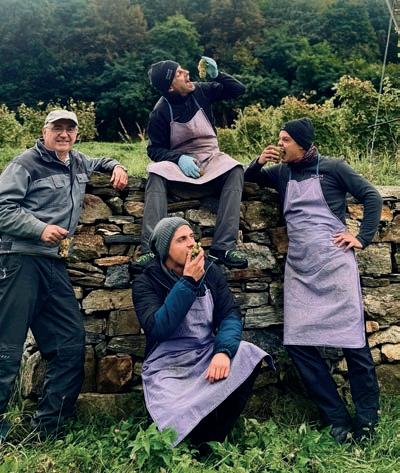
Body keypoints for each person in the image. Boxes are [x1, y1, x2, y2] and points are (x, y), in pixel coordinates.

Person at [244, 118, 382, 443]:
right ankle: (336, 418)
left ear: (302, 143)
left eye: (286, 140)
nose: (280, 144)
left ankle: (367, 422)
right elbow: (249, 178)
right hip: (300, 270)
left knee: (354, 344)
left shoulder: (333, 168)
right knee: (297, 343)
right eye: (279, 139)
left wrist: (362, 237)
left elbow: (372, 196)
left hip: (335, 267)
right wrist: (258, 162)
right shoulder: (282, 173)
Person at [0, 110, 128, 442]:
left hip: (53, 264)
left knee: (70, 345)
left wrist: (117, 165)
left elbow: (101, 160)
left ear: (76, 134)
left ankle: (47, 431)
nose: (64, 134)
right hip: (19, 261)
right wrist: (39, 229)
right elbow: (2, 209)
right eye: (57, 128)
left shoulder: (78, 161)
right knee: (5, 350)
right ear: (44, 131)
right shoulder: (25, 164)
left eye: (70, 129)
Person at [132, 217, 269, 446]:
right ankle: (190, 439)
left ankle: (212, 438)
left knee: (247, 353)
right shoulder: (146, 282)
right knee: (173, 413)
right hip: (167, 362)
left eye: (192, 237)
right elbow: (158, 328)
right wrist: (188, 282)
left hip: (205, 352)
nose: (191, 243)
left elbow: (230, 314)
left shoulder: (210, 271)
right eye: (181, 239)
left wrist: (223, 351)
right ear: (165, 250)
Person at [135, 57, 248, 270]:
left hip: (211, 157)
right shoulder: (160, 111)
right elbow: (154, 150)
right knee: (156, 172)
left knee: (235, 168)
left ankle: (223, 248)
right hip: (180, 165)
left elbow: (238, 90)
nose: (186, 72)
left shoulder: (201, 91)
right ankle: (150, 250)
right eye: (178, 73)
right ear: (170, 87)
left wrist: (218, 76)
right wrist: (179, 159)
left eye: (182, 69)